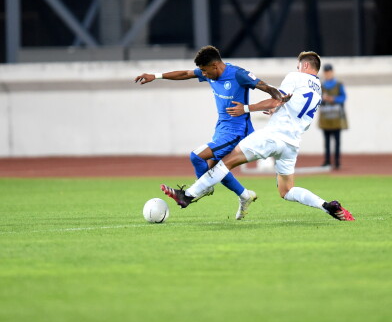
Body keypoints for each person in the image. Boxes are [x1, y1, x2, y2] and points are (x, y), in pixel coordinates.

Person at [161, 51, 355, 221]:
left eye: (298, 66)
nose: (296, 68)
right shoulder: (319, 90)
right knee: (286, 191)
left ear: (304, 65)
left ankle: (187, 195)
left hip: (272, 137)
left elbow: (276, 99)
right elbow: (288, 105)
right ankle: (327, 205)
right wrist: (277, 109)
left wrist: (246, 108)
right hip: (292, 144)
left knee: (223, 162)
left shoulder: (295, 76)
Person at [134, 45, 284, 215]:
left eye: (205, 71)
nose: (203, 74)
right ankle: (244, 195)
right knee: (215, 169)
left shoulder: (238, 74)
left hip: (237, 132)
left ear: (214, 66)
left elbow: (269, 89)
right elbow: (185, 74)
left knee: (197, 156)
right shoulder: (209, 73)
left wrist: (268, 104)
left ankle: (201, 188)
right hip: (221, 130)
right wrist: (155, 76)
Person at [318, 63, 348, 169]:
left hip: (336, 118)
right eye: (326, 72)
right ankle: (327, 161)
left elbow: (343, 98)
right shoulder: (320, 86)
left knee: (337, 141)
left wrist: (332, 99)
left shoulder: (339, 85)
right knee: (326, 142)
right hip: (325, 118)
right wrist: (323, 98)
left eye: (329, 72)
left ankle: (337, 161)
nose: (327, 74)